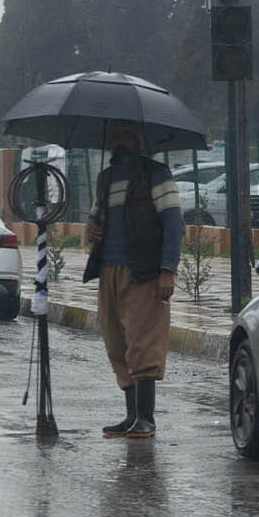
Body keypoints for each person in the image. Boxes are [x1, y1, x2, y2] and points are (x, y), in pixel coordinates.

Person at [84, 120, 184, 439]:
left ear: (139, 140)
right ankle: (130, 416)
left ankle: (146, 418)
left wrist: (167, 269)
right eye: (115, 136)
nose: (120, 142)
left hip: (144, 271)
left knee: (144, 343)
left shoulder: (156, 175)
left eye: (127, 135)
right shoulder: (105, 178)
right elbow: (95, 218)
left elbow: (174, 225)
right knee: (116, 343)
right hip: (108, 271)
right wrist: (91, 229)